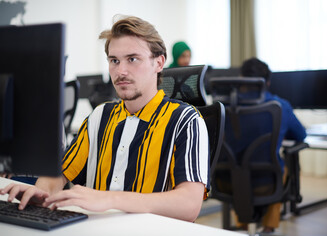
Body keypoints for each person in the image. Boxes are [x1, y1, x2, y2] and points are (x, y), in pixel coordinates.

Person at [0, 16, 209, 223]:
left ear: (159, 62)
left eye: (132, 59)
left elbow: (189, 204)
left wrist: (109, 199)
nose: (121, 71)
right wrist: (40, 191)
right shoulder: (100, 116)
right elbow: (61, 172)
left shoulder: (186, 120)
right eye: (114, 60)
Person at [237, 57, 307, 233]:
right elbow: (300, 135)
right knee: (280, 166)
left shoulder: (225, 106)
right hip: (266, 184)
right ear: (267, 82)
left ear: (240, 79)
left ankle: (242, 227)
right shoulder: (280, 106)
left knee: (238, 166)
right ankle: (268, 230)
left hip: (230, 182)